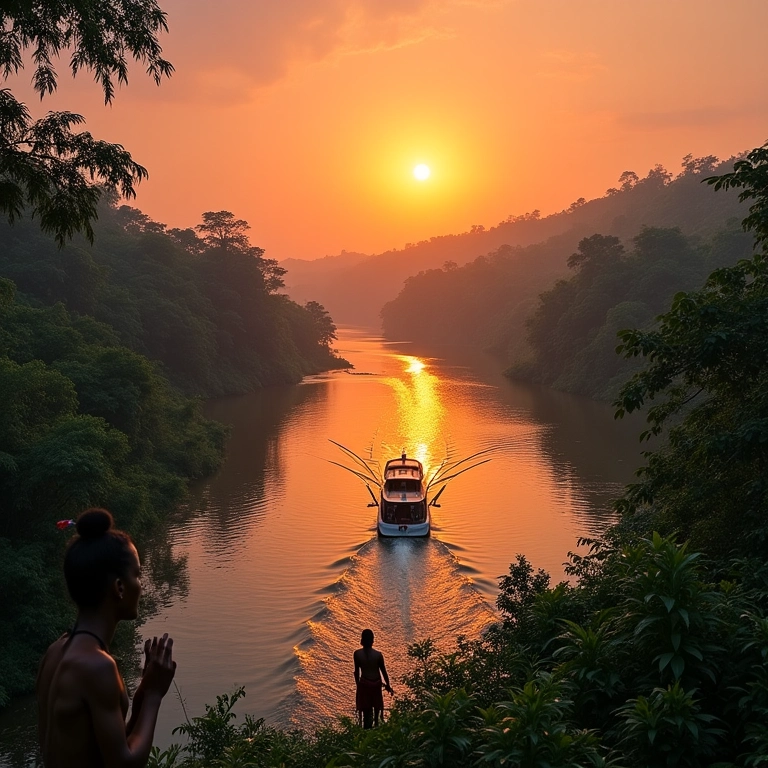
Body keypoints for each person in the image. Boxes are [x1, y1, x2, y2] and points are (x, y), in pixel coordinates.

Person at [37, 508, 177, 767]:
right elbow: (125, 763)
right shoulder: (97, 667)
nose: (141, 585)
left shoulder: (55, 652)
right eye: (137, 574)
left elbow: (107, 750)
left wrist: (143, 694)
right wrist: (156, 695)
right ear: (119, 588)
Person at [353, 628, 392, 728]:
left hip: (364, 685)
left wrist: (358, 687)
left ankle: (366, 730)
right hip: (376, 685)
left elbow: (357, 672)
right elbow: (383, 672)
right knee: (377, 710)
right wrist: (388, 685)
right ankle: (377, 727)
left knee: (366, 712)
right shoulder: (378, 655)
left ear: (361, 640)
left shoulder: (357, 654)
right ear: (372, 640)